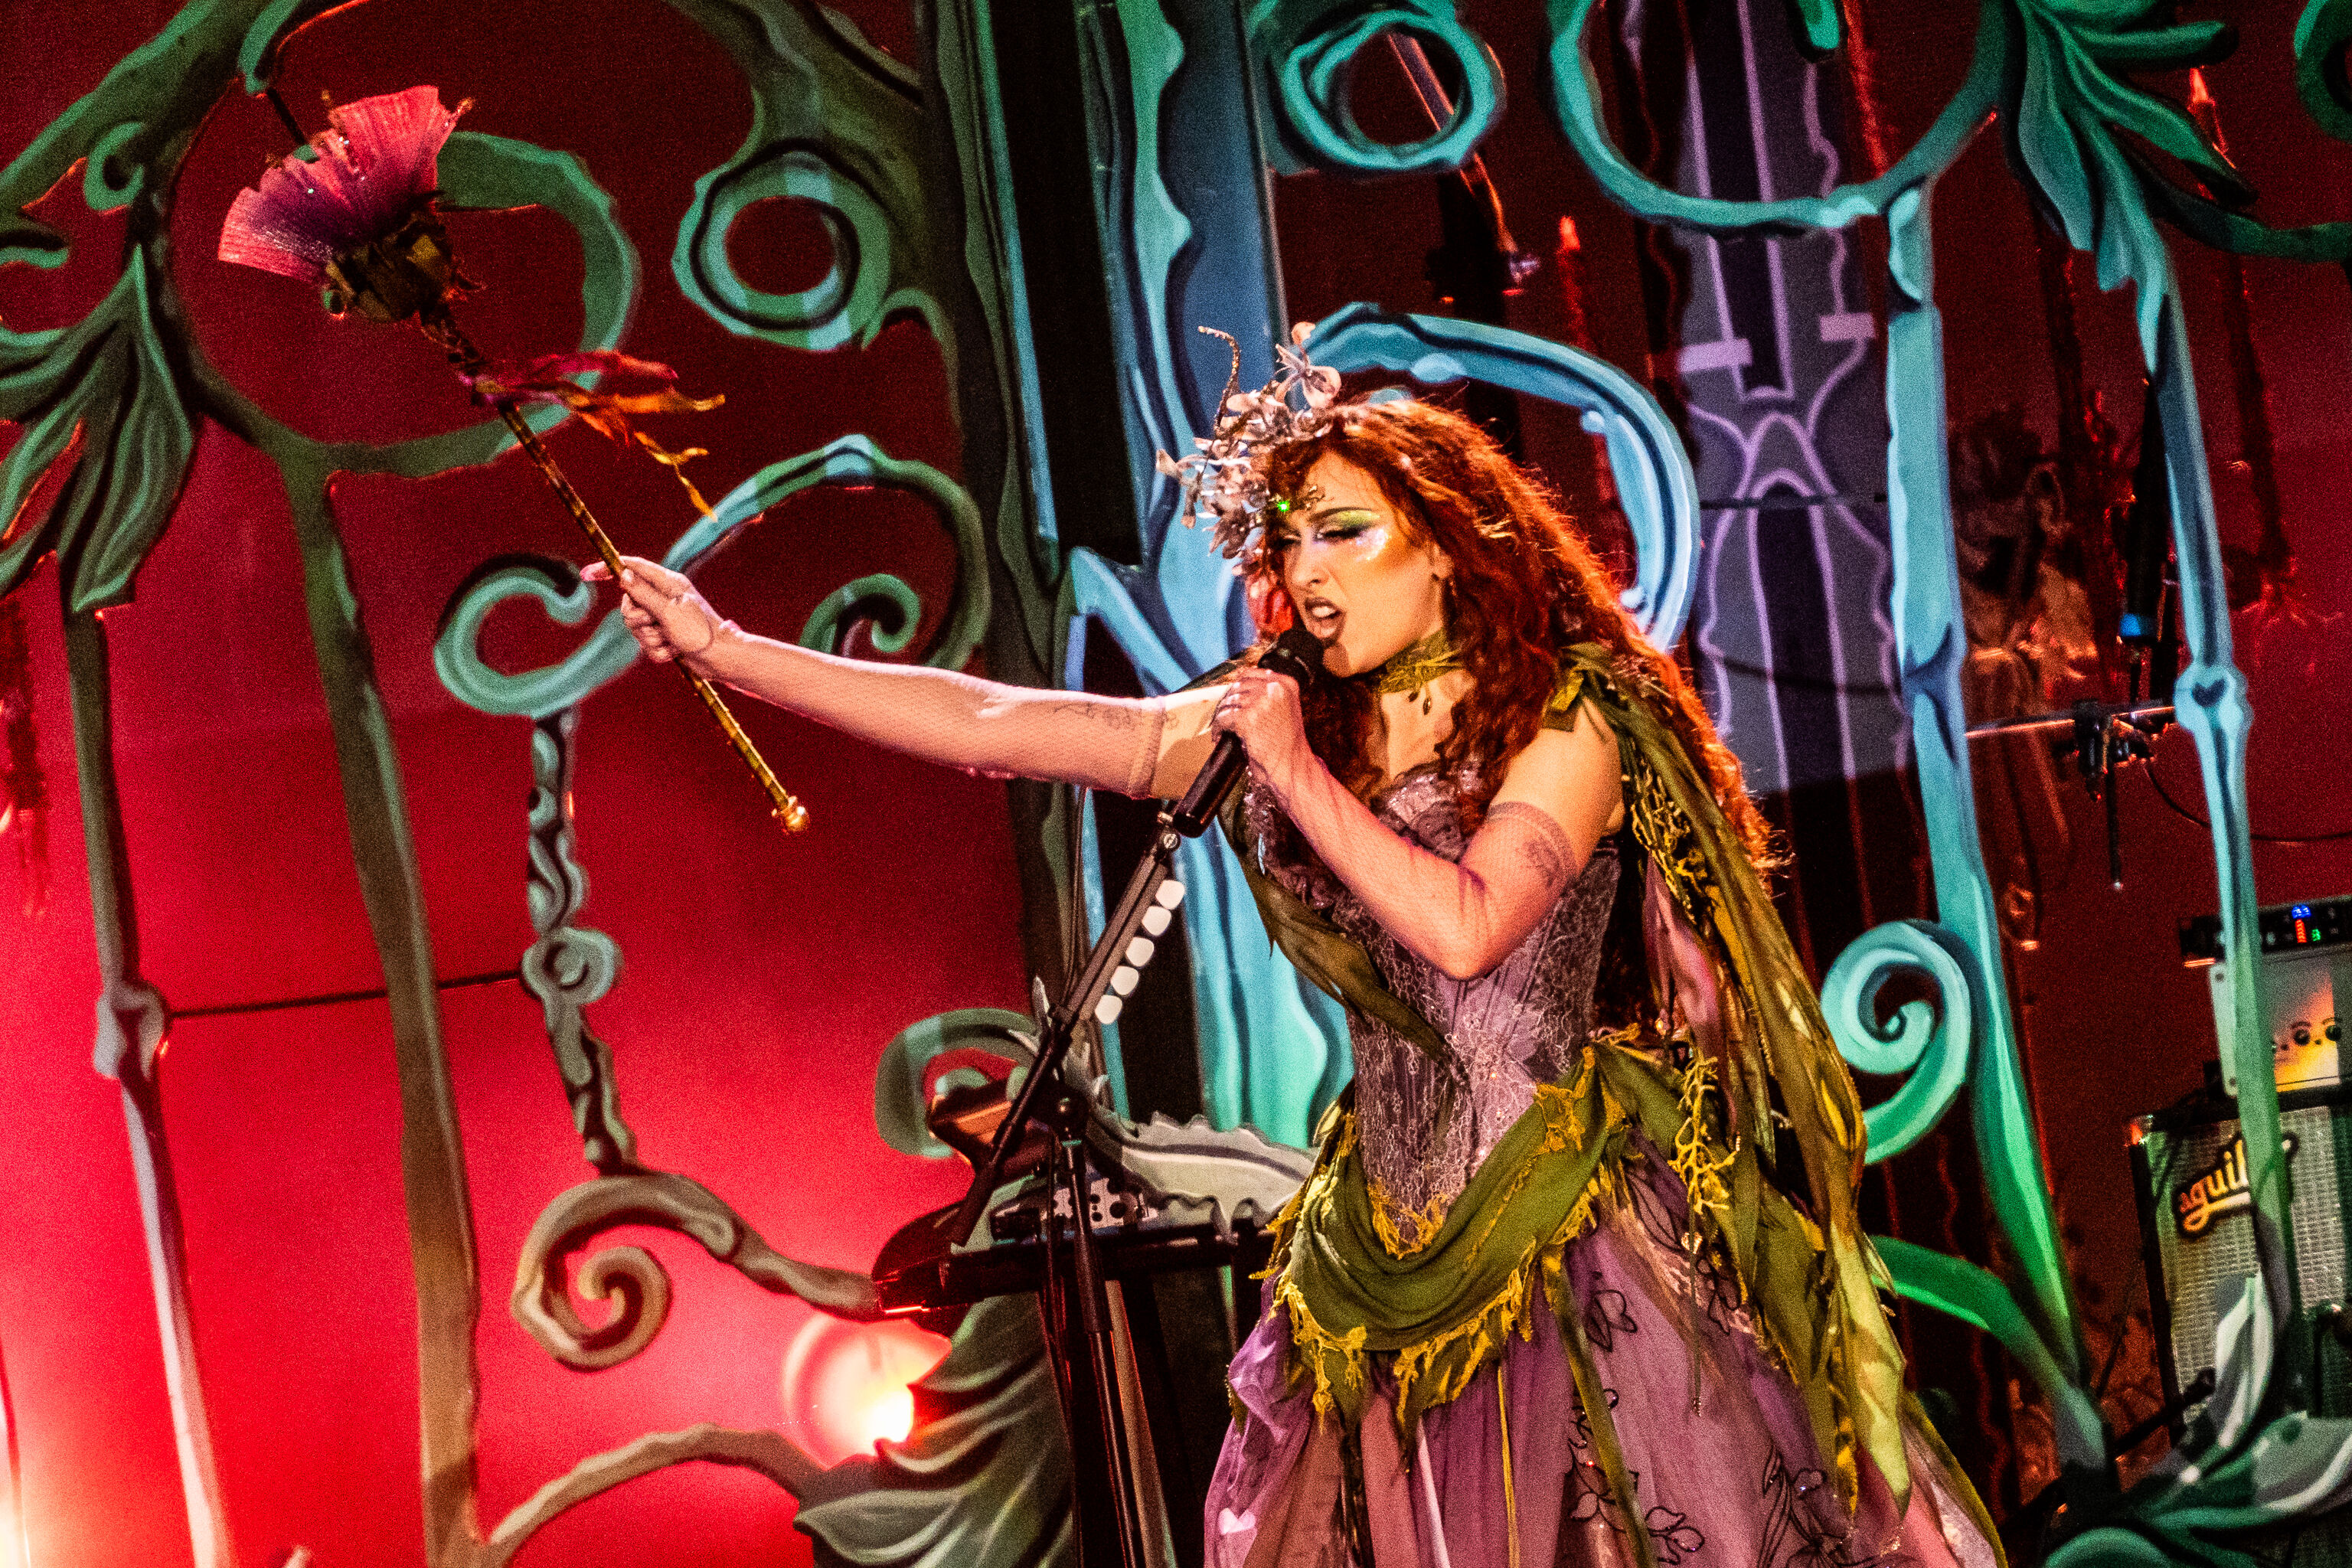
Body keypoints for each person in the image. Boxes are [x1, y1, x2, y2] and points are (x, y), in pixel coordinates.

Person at [587, 341, 2001, 1568]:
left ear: (1446, 541)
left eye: (1342, 534)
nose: (1304, 574)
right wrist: (732, 651)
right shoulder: (1293, 719)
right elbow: (999, 723)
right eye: (1289, 542)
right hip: (1373, 1253)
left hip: (1569, 1233)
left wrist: (1293, 772)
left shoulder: (1567, 720)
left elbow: (1466, 929)